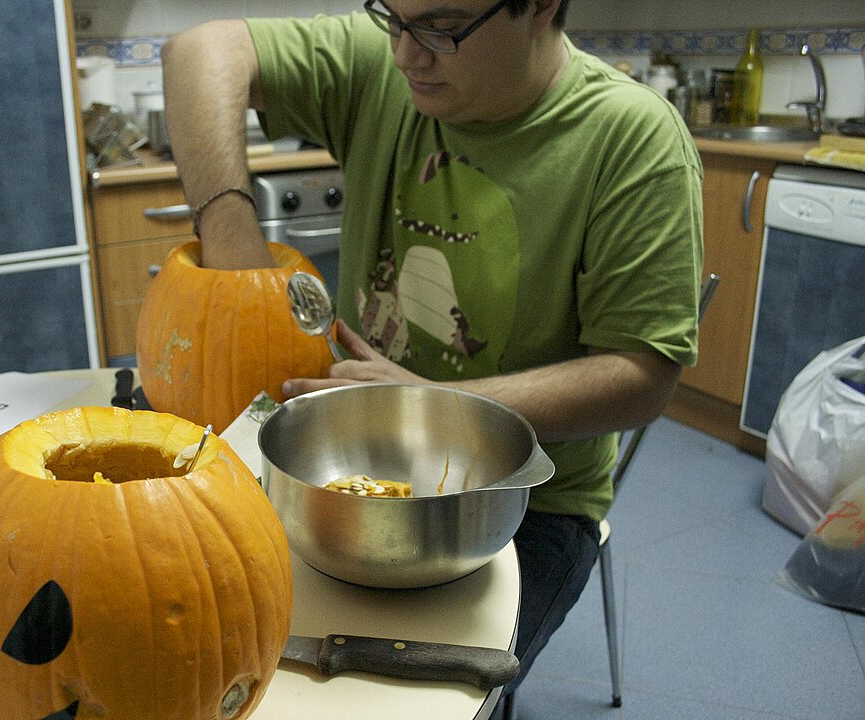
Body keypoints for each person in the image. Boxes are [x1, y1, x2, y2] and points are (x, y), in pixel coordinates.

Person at [160, 0, 703, 710]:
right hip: (340, 481)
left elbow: (641, 378)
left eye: (442, 28)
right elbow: (197, 52)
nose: (405, 56)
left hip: (523, 506)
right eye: (393, 16)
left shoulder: (633, 142)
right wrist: (232, 235)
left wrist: (431, 405)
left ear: (539, 7)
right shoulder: (391, 62)